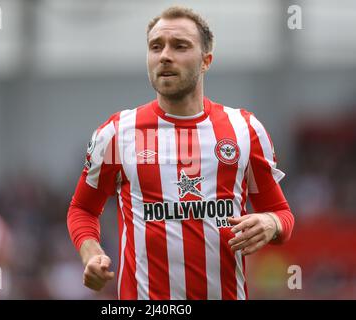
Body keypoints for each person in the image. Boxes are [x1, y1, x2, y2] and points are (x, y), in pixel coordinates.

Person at [67, 6, 294, 300]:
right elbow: (82, 209)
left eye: (180, 46)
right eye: (156, 46)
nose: (165, 55)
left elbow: (282, 214)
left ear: (206, 61)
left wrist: (271, 223)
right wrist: (91, 253)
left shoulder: (245, 129)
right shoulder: (117, 132)